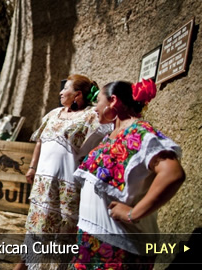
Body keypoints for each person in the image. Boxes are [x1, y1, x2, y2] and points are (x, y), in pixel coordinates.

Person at [69, 79, 185, 269]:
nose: (95, 108)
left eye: (98, 101)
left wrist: (133, 213)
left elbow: (172, 173)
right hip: (92, 240)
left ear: (113, 101)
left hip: (118, 250)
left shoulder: (139, 132)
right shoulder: (112, 135)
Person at [15, 74, 111, 270]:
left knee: (61, 232)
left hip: (67, 185)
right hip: (44, 183)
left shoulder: (90, 116)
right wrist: (32, 166)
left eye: (65, 88)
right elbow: (40, 141)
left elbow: (103, 141)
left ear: (77, 95)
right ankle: (26, 264)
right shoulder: (53, 114)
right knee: (37, 228)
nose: (60, 92)